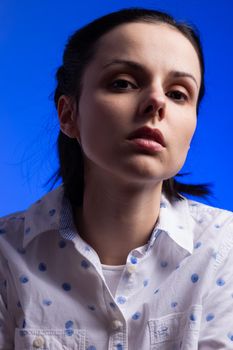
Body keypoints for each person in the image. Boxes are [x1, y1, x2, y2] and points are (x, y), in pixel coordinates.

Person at [0, 7, 233, 350]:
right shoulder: (6, 253)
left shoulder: (225, 250)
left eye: (178, 93)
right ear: (69, 114)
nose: (156, 102)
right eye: (123, 83)